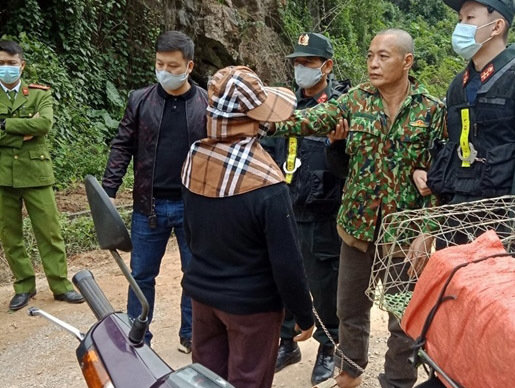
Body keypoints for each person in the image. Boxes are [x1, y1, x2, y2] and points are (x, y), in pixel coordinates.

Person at [270, 29, 446, 388]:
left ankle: (397, 381)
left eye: (383, 56)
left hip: (404, 235)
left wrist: (428, 231)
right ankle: (350, 370)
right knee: (349, 311)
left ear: (407, 61)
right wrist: (264, 121)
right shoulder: (354, 100)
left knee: (404, 317)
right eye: (369, 56)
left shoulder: (431, 111)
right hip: (357, 230)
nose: (373, 63)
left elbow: (438, 177)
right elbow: (312, 120)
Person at [420, 0, 515, 388]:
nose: (460, 26)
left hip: (502, 234)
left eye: (469, 17)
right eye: (461, 18)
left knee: (506, 337)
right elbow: (455, 153)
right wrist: (435, 220)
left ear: (496, 25)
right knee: (455, 319)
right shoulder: (459, 84)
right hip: (458, 229)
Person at [180, 65, 314, 388]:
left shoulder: (194, 159)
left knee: (206, 381)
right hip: (252, 310)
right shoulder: (268, 184)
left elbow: (192, 234)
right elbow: (287, 262)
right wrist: (304, 314)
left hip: (202, 299)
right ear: (252, 121)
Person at [102, 31, 207, 352]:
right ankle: (139, 336)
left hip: (193, 205)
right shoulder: (140, 100)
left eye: (172, 66)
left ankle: (191, 334)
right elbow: (122, 145)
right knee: (142, 274)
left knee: (195, 274)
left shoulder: (206, 103)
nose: (164, 71)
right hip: (149, 206)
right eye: (160, 63)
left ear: (189, 66)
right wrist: (108, 189)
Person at [261, 32, 350, 384]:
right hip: (284, 204)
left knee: (324, 282)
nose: (301, 69)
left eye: (309, 63)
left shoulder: (339, 108)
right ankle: (287, 341)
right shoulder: (283, 106)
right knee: (281, 276)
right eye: (297, 63)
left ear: (326, 66)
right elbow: (267, 150)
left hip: (323, 209)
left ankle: (329, 345)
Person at [0, 40, 84, 311]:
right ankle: (24, 286)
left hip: (37, 173)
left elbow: (44, 124)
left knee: (49, 232)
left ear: (21, 65)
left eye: (11, 63)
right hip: (3, 177)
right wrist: (22, 132)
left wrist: (5, 126)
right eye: (1, 64)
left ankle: (60, 286)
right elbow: (33, 127)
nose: (6, 68)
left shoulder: (39, 94)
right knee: (10, 236)